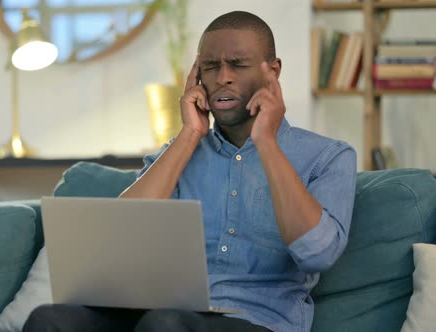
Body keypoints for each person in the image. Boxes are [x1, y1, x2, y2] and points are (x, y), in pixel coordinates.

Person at [23, 10, 356, 332]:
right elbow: (123, 235)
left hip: (259, 321)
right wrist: (190, 134)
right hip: (159, 315)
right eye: (210, 67)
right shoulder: (180, 154)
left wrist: (266, 142)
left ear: (273, 71)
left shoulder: (327, 156)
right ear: (198, 76)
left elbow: (318, 254)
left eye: (237, 65)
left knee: (166, 323)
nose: (223, 76)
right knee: (50, 320)